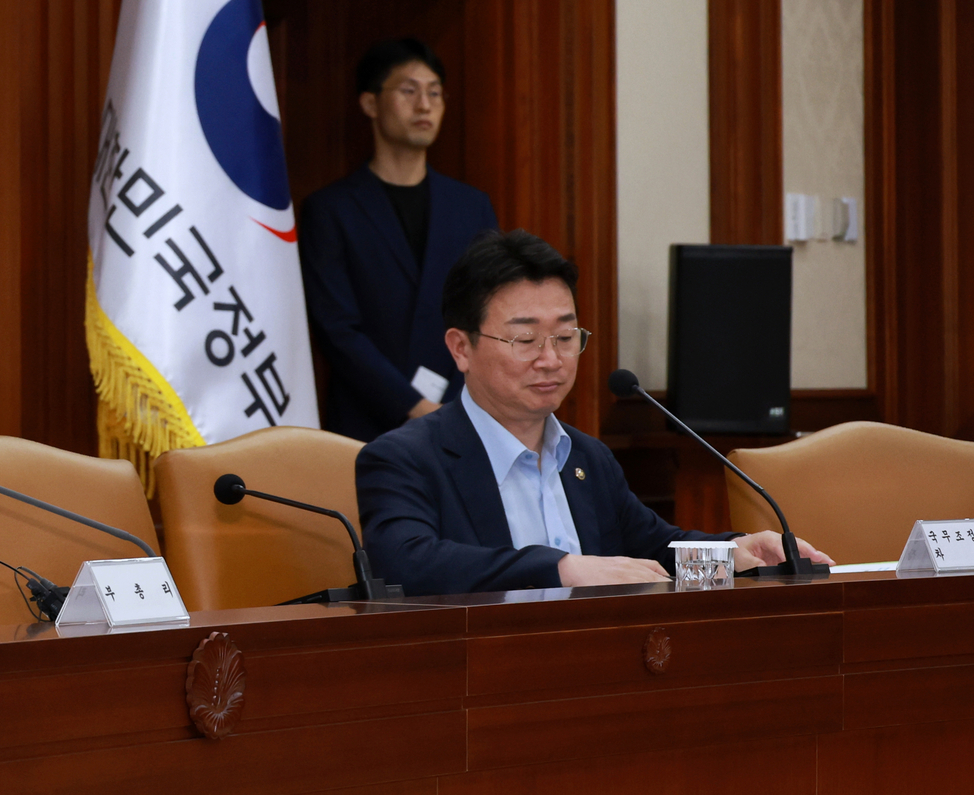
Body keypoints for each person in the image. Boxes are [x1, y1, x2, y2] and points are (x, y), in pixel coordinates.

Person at [356, 229, 832, 597]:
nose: (551, 359)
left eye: (565, 338)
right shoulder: (405, 458)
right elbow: (407, 565)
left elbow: (652, 553)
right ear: (461, 348)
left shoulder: (587, 458)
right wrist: (563, 568)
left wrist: (733, 555)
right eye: (525, 339)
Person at [299, 38, 500, 442]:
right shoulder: (330, 209)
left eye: (435, 93)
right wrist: (414, 406)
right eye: (409, 91)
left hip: (462, 417)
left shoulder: (471, 206)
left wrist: (458, 406)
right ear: (370, 103)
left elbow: (489, 313)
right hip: (366, 424)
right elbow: (337, 329)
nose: (424, 105)